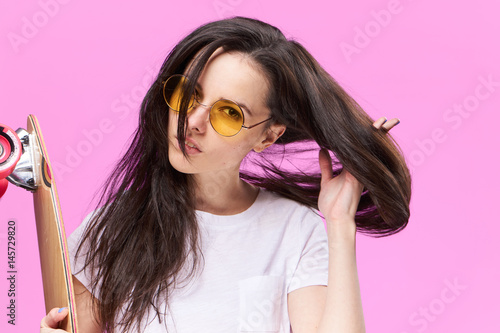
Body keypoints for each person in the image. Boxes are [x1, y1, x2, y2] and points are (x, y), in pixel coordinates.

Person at [41, 17, 411, 333]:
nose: (194, 121)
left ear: (268, 135)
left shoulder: (295, 231)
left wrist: (340, 224)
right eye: (188, 93)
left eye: (228, 113)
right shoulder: (115, 226)